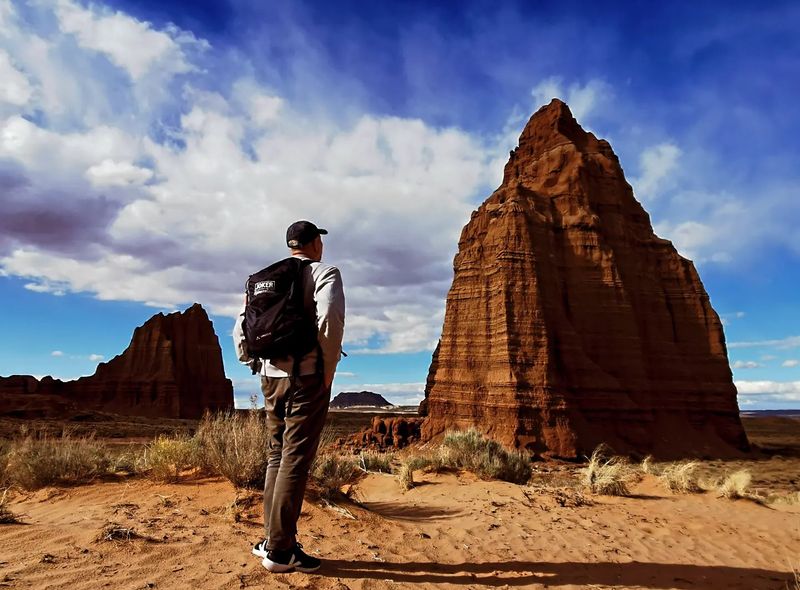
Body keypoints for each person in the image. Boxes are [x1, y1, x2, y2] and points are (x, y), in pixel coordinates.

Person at [233, 220, 345, 573]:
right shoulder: (324, 272)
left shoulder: (261, 279)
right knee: (295, 458)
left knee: (276, 455)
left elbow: (241, 324)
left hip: (269, 377)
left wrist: (250, 360)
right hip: (306, 377)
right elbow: (330, 319)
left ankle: (270, 538)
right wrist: (327, 369)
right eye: (319, 241)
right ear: (314, 244)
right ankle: (281, 552)